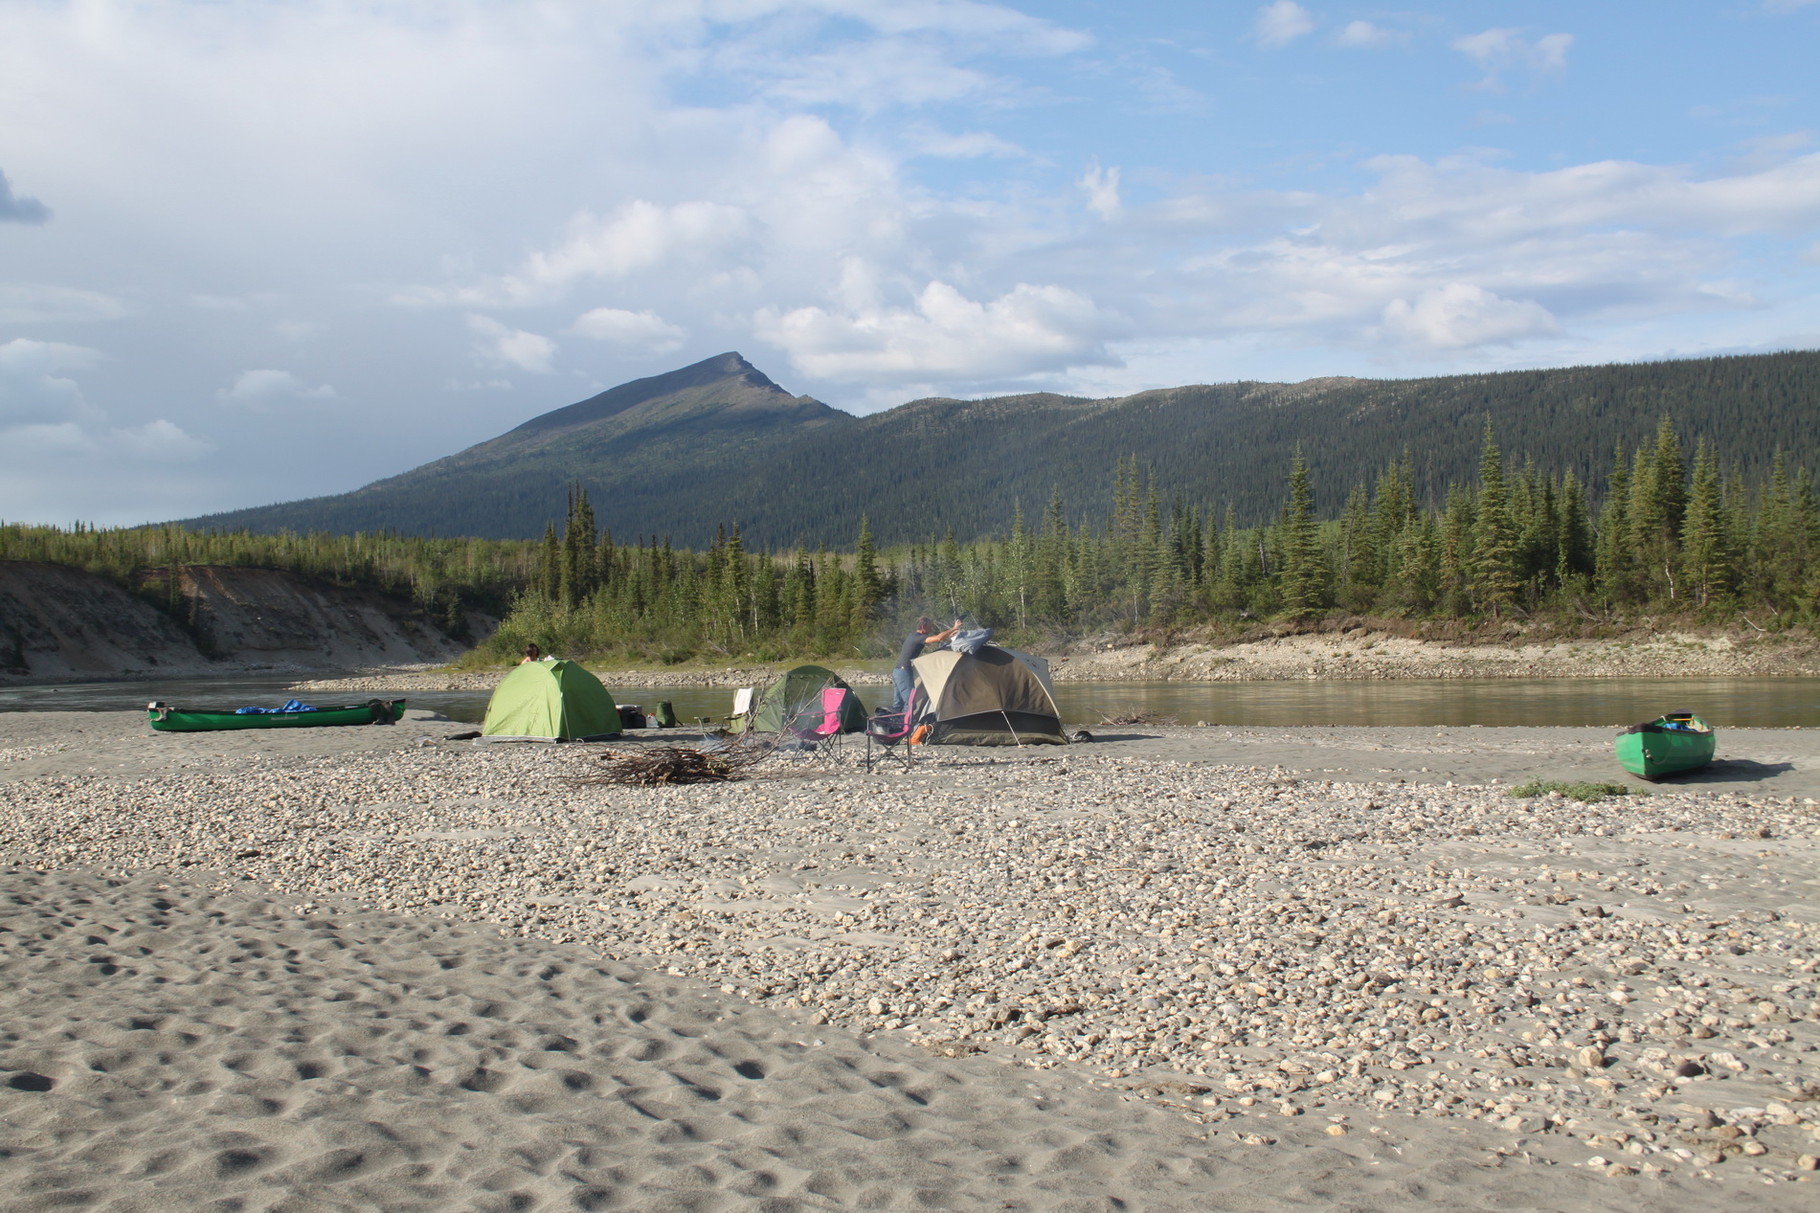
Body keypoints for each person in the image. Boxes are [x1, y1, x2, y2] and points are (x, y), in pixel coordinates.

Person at [891, 616, 961, 714]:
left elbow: (937, 638)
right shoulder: (919, 638)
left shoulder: (913, 636)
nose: (931, 629)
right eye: (929, 627)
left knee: (898, 704)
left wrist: (949, 635)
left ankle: (894, 724)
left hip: (897, 672)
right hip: (903, 673)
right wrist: (954, 628)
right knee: (910, 703)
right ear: (923, 627)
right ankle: (906, 726)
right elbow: (938, 638)